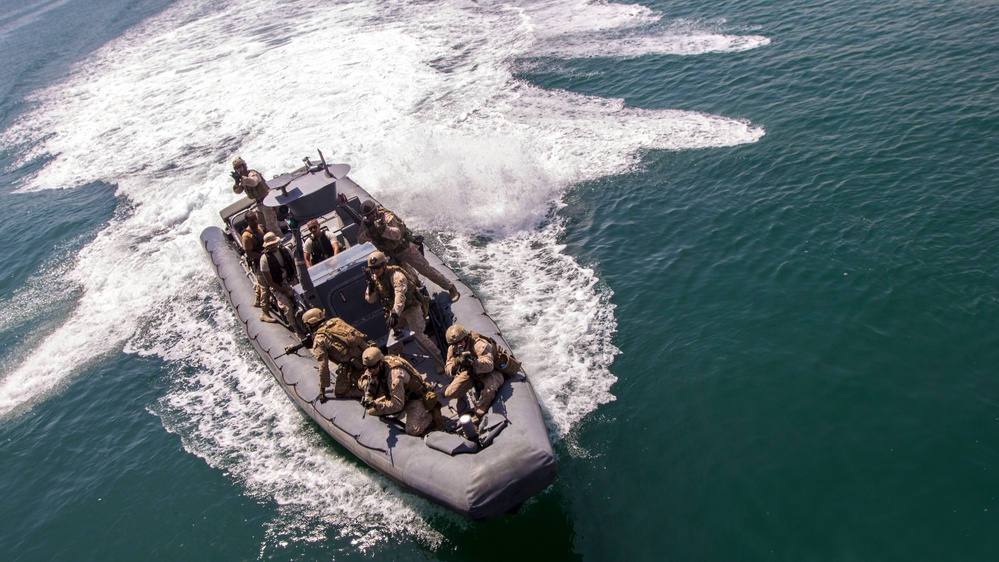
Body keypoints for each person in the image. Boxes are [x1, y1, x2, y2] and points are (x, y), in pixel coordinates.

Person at [356, 199, 460, 303]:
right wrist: (369, 232)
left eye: (372, 214)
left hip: (405, 249)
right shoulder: (366, 223)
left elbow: (397, 235)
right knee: (407, 278)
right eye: (368, 215)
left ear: (376, 211)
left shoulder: (387, 217)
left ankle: (450, 287)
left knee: (426, 270)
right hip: (390, 254)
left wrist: (383, 230)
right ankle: (422, 298)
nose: (371, 217)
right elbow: (360, 240)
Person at [363, 251, 443, 364]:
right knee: (393, 341)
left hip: (410, 308)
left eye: (378, 267)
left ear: (384, 265)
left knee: (419, 336)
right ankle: (398, 361)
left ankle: (438, 357)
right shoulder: (375, 279)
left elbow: (400, 295)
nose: (376, 271)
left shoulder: (396, 276)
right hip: (396, 311)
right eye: (373, 269)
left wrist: (395, 313)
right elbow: (371, 300)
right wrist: (370, 287)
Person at [358, 347, 438, 436]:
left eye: (373, 367)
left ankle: (430, 415)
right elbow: (364, 378)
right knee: (371, 410)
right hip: (398, 395)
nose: (371, 370)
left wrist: (376, 404)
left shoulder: (395, 376)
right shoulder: (377, 365)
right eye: (368, 368)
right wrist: (366, 387)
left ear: (380, 363)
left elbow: (397, 405)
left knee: (412, 429)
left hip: (414, 398)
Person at [303, 308, 371, 403]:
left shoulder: (319, 339)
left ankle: (365, 393)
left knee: (340, 391)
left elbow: (323, 365)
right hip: (368, 356)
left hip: (354, 367)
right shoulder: (337, 321)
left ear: (311, 323)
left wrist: (323, 388)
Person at [442, 324, 504, 418]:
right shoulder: (453, 349)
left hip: (492, 371)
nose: (457, 345)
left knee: (489, 389)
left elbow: (489, 366)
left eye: (459, 342)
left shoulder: (479, 344)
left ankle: (479, 413)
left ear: (465, 338)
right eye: (454, 344)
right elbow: (447, 369)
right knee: (450, 393)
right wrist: (456, 363)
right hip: (472, 372)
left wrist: (473, 361)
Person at [232, 157, 281, 237]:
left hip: (267, 202)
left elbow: (253, 182)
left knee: (272, 228)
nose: (239, 170)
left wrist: (242, 179)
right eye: (237, 169)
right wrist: (236, 183)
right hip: (259, 205)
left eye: (240, 167)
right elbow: (238, 191)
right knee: (262, 227)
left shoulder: (252, 174)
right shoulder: (243, 179)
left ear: (244, 166)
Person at [259, 232, 296, 323]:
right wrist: (285, 291)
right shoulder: (264, 259)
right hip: (278, 286)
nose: (273, 246)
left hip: (292, 280)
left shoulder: (286, 250)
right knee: (288, 308)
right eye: (270, 245)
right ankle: (296, 328)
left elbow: (294, 265)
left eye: (274, 244)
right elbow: (270, 282)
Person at [240, 213, 273, 317]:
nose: (254, 222)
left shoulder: (260, 228)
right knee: (265, 286)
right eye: (251, 220)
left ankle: (257, 300)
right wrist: (262, 256)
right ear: (247, 222)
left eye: (255, 219)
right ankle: (264, 312)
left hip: (268, 258)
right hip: (259, 263)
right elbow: (249, 253)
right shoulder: (247, 236)